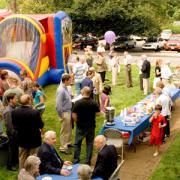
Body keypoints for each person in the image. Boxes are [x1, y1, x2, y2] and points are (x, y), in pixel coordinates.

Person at [12, 94, 44, 169]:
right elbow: (41, 125)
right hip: (34, 139)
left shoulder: (14, 112)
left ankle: (22, 174)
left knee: (22, 157)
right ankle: (32, 173)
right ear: (29, 101)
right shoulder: (34, 112)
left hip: (21, 138)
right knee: (33, 157)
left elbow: (14, 125)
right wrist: (42, 133)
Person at [72, 86, 101, 165]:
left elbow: (74, 115)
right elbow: (98, 114)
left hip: (80, 127)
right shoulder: (93, 102)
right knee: (90, 144)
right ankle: (88, 161)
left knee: (77, 143)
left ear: (83, 92)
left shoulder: (78, 103)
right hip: (91, 126)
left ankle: (76, 160)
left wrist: (77, 122)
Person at [56, 74, 72, 154]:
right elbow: (58, 105)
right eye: (70, 80)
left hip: (68, 111)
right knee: (64, 130)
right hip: (64, 113)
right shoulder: (61, 90)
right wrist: (61, 115)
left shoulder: (65, 87)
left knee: (68, 128)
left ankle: (68, 143)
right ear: (65, 81)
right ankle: (63, 147)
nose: (71, 81)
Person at [3, 93, 18, 171]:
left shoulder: (13, 108)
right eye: (15, 98)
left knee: (15, 148)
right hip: (12, 134)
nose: (17, 99)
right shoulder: (8, 111)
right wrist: (14, 133)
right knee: (12, 149)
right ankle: (10, 165)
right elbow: (9, 125)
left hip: (15, 132)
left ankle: (15, 161)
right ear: (10, 100)